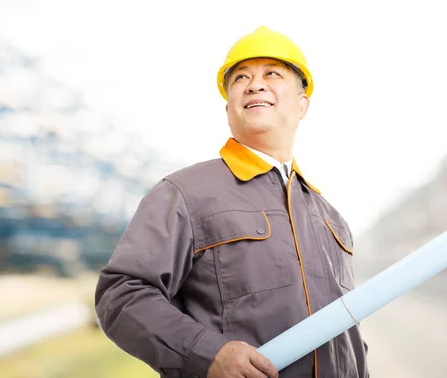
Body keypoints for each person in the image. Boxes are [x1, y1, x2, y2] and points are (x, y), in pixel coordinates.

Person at [94, 26, 369, 378]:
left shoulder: (330, 219)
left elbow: (349, 339)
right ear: (229, 108)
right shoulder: (185, 193)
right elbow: (121, 295)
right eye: (241, 77)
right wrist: (208, 354)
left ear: (303, 105)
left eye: (272, 73)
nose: (255, 84)